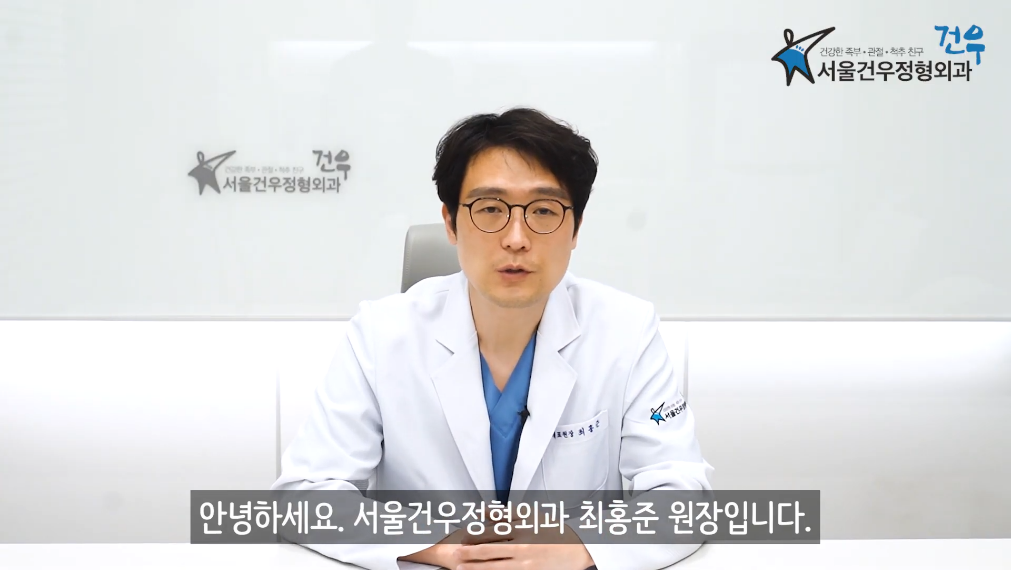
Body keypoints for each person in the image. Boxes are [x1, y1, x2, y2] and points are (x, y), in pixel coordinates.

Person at [272, 108, 714, 570]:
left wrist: (581, 546)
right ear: (450, 223)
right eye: (490, 210)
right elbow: (303, 495)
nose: (516, 238)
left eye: (543, 211)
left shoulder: (627, 332)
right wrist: (439, 546)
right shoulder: (381, 335)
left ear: (576, 229)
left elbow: (684, 499)